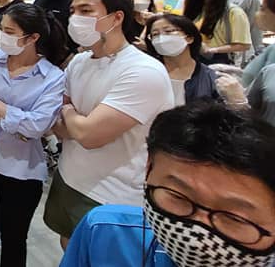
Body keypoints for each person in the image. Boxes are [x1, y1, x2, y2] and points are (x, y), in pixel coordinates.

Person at [60, 102, 275, 267]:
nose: (196, 240)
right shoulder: (105, 232)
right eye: (177, 197)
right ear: (148, 169)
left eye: (234, 217)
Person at [45, 0, 175, 249]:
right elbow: (57, 125)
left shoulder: (142, 71)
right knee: (70, 249)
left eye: (86, 10)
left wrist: (69, 112)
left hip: (112, 194)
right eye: (73, 11)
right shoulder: (79, 62)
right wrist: (77, 121)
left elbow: (89, 136)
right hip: (69, 177)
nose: (75, 19)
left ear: (116, 18)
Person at [0, 3, 68, 266]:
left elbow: (36, 126)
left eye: (9, 31)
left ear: (32, 38)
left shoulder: (52, 77)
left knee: (14, 238)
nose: (2, 36)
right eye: (1, 29)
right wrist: (14, 118)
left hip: (20, 169)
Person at [143, 14, 224, 106]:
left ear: (189, 38)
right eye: (155, 34)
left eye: (168, 31)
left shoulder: (210, 77)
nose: (161, 38)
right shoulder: (147, 72)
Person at [182, 0, 251, 65]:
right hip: (192, 55)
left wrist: (212, 50)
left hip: (218, 59)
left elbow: (244, 45)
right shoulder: (193, 9)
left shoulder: (233, 12)